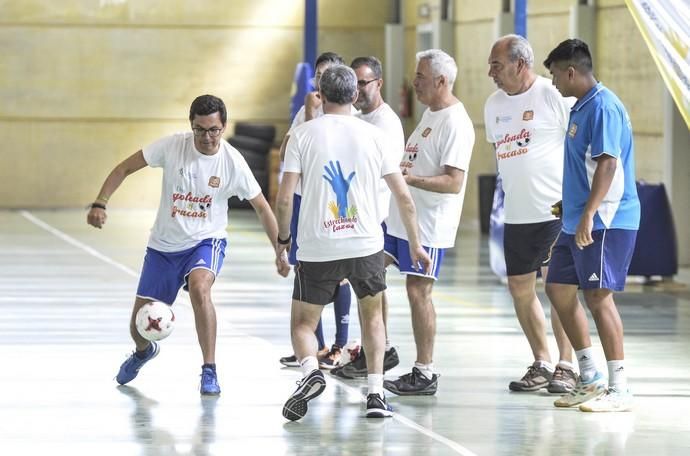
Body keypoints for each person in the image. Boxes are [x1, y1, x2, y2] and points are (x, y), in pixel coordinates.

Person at [87, 94, 288, 395]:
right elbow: (123, 169)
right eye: (200, 129)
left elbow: (262, 206)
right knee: (138, 329)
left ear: (223, 126)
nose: (207, 137)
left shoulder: (232, 161)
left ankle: (209, 369)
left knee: (200, 287)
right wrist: (100, 202)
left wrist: (279, 250)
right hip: (163, 247)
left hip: (206, 240)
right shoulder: (171, 147)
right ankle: (143, 352)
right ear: (191, 125)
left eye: (214, 130)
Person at [276, 64, 432, 420]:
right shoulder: (374, 136)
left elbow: (285, 199)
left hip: (318, 247)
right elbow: (403, 197)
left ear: (321, 92)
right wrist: (416, 244)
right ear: (354, 94)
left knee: (303, 323)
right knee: (373, 317)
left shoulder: (303, 135)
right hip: (365, 245)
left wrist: (284, 240)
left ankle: (310, 372)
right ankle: (375, 394)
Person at [543, 39, 640, 412]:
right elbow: (584, 166)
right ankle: (590, 377)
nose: (552, 83)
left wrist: (587, 214)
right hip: (579, 217)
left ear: (570, 72)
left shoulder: (604, 107)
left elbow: (608, 165)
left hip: (605, 220)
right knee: (558, 288)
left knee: (598, 298)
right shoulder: (580, 108)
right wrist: (571, 206)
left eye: (554, 75)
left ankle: (619, 388)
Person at [484, 35, 577, 393]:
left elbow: (577, 147)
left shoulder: (552, 95)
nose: (491, 72)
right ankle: (541, 361)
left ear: (520, 64)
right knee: (520, 288)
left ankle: (567, 365)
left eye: (497, 64)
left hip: (556, 209)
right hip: (517, 213)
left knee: (558, 288)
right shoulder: (493, 105)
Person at [383, 49, 475, 396]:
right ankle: (380, 349)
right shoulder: (430, 115)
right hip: (400, 220)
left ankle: (425, 371)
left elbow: (453, 182)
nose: (414, 83)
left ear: (441, 81)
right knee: (369, 273)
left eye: (420, 77)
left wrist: (411, 179)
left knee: (418, 290)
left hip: (429, 224)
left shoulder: (456, 122)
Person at [330, 55, 405, 379]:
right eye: (355, 83)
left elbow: (380, 177)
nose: (358, 90)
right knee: (372, 289)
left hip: (377, 216)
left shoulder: (385, 124)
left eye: (364, 82)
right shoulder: (358, 120)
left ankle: (380, 352)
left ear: (379, 83)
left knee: (369, 288)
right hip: (359, 217)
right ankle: (381, 348)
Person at [278, 52, 354, 370]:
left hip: (334, 201)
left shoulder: (348, 117)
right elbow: (287, 152)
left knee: (340, 276)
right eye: (318, 77)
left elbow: (323, 156)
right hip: (303, 200)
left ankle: (340, 344)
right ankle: (315, 345)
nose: (321, 83)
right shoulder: (305, 112)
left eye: (328, 76)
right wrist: (308, 113)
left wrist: (312, 116)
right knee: (305, 270)